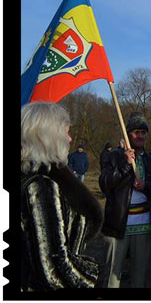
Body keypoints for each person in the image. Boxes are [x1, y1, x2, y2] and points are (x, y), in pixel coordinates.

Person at [21, 102, 103, 290]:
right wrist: (94, 274)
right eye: (66, 133)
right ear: (48, 138)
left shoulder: (44, 178)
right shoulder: (41, 186)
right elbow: (53, 269)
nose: (70, 139)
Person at [100, 112, 151, 288]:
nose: (140, 136)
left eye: (143, 132)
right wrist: (125, 165)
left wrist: (147, 186)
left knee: (140, 277)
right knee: (112, 276)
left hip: (144, 226)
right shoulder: (114, 156)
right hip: (118, 225)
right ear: (128, 134)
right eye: (136, 132)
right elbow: (105, 184)